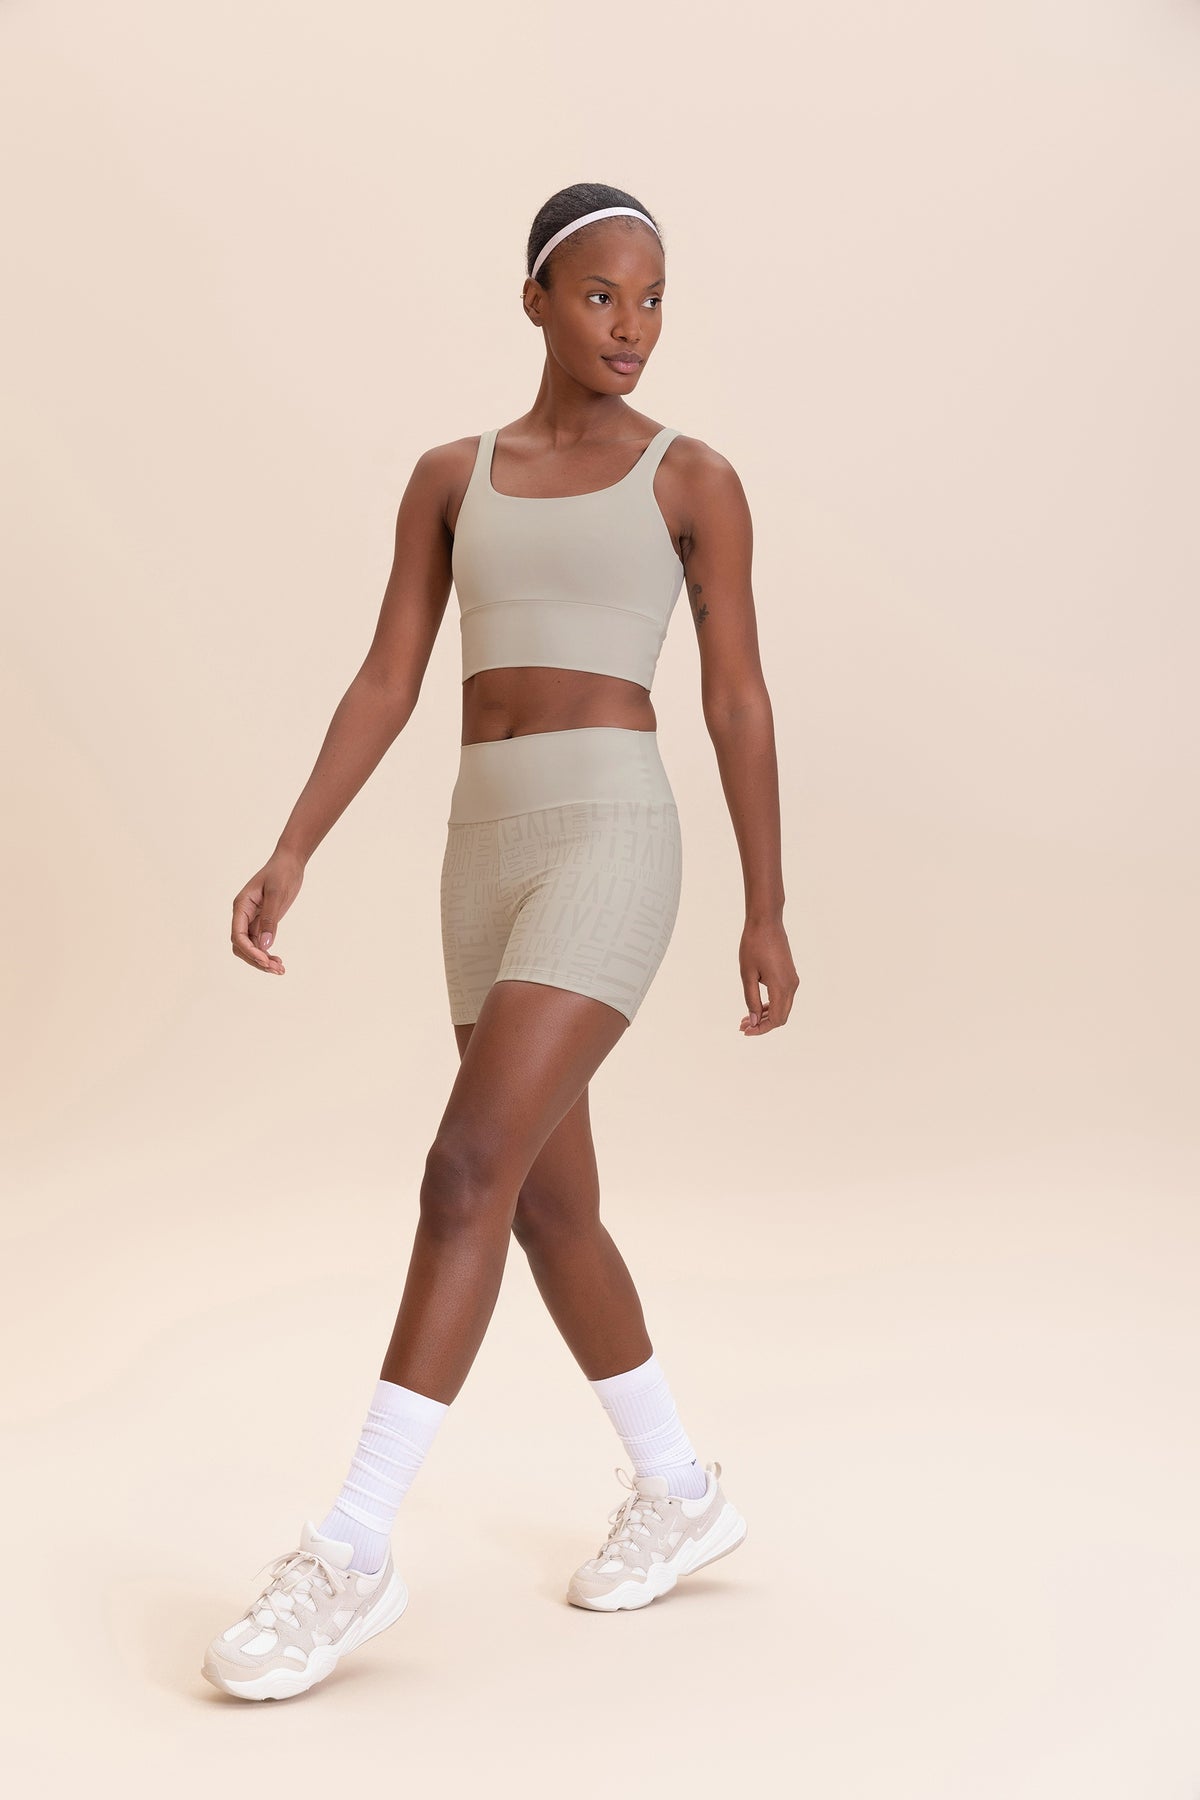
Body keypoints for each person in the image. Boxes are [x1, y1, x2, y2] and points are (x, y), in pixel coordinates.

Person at [202, 182, 798, 1701]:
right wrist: (293, 846)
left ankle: (350, 1548)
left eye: (653, 300)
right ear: (535, 299)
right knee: (544, 1205)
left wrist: (767, 903)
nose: (632, 327)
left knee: (465, 1168)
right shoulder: (449, 477)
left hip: (613, 835)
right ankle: (679, 1487)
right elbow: (388, 677)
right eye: (601, 296)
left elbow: (735, 694)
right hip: (484, 852)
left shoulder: (694, 478)